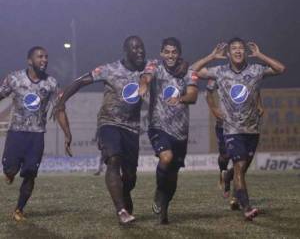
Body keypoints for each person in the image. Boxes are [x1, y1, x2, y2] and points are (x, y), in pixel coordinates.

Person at [54, 36, 147, 225]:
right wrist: (62, 102)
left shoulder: (148, 69)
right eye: (134, 48)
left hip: (132, 128)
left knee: (130, 177)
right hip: (109, 123)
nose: (139, 51)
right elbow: (80, 81)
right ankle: (121, 210)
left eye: (141, 48)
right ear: (126, 51)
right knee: (113, 160)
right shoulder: (109, 69)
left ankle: (124, 192)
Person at [193, 37, 285, 220]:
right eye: (233, 48)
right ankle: (247, 207)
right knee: (238, 166)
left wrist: (260, 55)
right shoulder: (220, 71)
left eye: (241, 48)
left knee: (241, 169)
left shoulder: (255, 70)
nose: (237, 51)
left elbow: (280, 69)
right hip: (231, 129)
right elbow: (193, 70)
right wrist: (211, 56)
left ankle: (227, 178)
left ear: (245, 52)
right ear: (228, 53)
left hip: (252, 129)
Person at [1, 46, 71, 221]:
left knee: (31, 172)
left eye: (46, 57)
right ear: (30, 60)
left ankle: (19, 209)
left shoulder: (51, 83)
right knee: (10, 170)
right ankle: (9, 173)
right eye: (40, 57)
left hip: (37, 135)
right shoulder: (14, 78)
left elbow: (60, 109)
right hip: (16, 133)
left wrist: (67, 134)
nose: (44, 60)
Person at [139, 37, 198, 224]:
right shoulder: (155, 66)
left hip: (181, 130)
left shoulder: (189, 71)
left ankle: (164, 211)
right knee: (166, 158)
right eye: (167, 52)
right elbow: (146, 76)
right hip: (158, 125)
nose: (170, 55)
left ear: (178, 54)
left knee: (172, 178)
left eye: (174, 52)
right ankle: (158, 191)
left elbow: (193, 95)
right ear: (161, 53)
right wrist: (144, 84)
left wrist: (180, 98)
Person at [206, 79, 264, 200]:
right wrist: (214, 109)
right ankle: (224, 174)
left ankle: (229, 181)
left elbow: (256, 90)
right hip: (225, 124)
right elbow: (208, 93)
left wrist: (259, 104)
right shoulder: (219, 73)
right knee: (226, 156)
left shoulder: (248, 74)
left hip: (245, 125)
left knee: (243, 163)